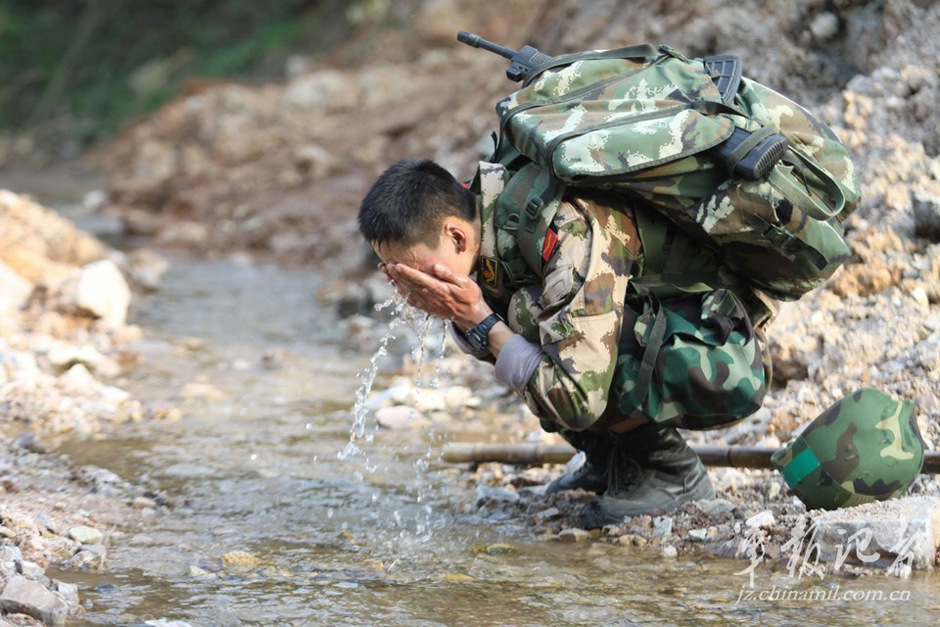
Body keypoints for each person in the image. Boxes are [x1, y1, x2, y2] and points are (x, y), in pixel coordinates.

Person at [357, 158, 775, 528]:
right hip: (654, 324)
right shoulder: (486, 222)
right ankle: (612, 460)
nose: (408, 287)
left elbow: (577, 398)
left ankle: (671, 472)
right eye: (395, 273)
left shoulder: (566, 231)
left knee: (520, 323)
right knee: (514, 326)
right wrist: (479, 322)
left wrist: (479, 319)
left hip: (716, 348)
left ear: (457, 238)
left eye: (415, 272)